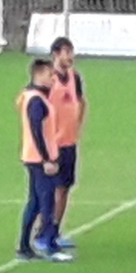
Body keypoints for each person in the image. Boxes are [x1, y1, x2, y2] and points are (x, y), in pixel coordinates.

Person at [15, 58, 73, 263]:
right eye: (50, 75)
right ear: (39, 75)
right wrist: (47, 158)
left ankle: (24, 246)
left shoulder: (32, 96)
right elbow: (36, 131)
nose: (53, 79)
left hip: (34, 157)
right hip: (39, 160)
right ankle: (47, 244)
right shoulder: (36, 100)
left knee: (36, 202)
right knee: (45, 201)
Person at [46, 36, 86, 249]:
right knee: (50, 190)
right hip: (52, 144)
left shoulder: (74, 77)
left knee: (64, 188)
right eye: (66, 52)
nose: (70, 57)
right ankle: (43, 232)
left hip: (69, 142)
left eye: (71, 52)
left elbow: (81, 102)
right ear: (56, 54)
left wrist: (76, 126)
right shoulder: (48, 79)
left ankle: (55, 231)